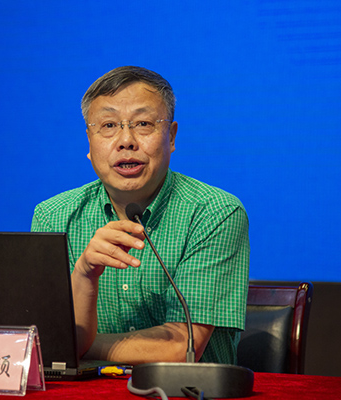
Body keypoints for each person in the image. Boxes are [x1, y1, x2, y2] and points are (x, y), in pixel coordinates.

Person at [31, 66, 249, 365]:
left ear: (171, 137)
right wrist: (84, 274)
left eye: (143, 123)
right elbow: (46, 341)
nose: (126, 141)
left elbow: (182, 348)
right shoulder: (53, 217)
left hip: (185, 389)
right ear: (89, 141)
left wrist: (76, 346)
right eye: (108, 125)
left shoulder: (214, 212)